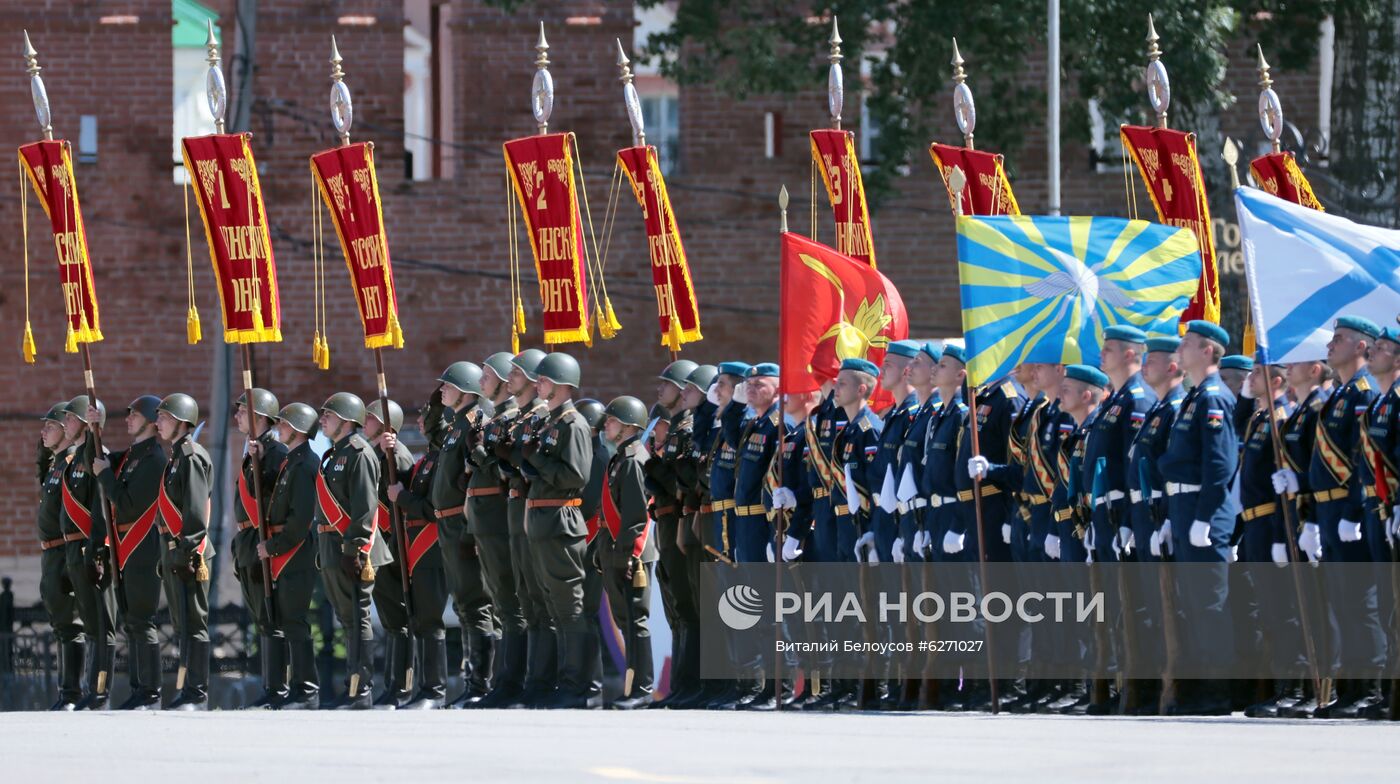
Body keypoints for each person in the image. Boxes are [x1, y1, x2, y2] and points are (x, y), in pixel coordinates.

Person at [1158, 320, 1240, 716]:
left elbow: (1220, 464)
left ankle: (1217, 692)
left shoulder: (1212, 398)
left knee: (1209, 606)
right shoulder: (1194, 397)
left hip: (1203, 510)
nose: (1181, 348)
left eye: (1188, 343)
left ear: (1208, 350)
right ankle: (1197, 689)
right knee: (1193, 606)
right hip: (1185, 507)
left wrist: (1205, 517)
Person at [520, 352, 599, 709]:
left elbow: (575, 476)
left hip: (560, 520)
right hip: (541, 520)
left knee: (569, 607)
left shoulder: (573, 424)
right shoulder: (550, 422)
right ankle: (557, 682)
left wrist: (537, 461)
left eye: (545, 380)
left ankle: (575, 686)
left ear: (564, 384)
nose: (539, 384)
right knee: (553, 606)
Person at [423, 362, 498, 708]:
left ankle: (482, 683)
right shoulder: (455, 424)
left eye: (448, 387)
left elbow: (479, 472)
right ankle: (473, 681)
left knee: (477, 603)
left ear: (467, 390)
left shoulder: (475, 423)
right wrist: (436, 403)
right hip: (448, 524)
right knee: (465, 604)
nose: (442, 391)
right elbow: (432, 432)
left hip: (464, 522)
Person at [315, 392, 390, 710]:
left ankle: (361, 689)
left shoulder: (358, 453)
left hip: (353, 547)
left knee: (357, 617)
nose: (322, 421)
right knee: (346, 618)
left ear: (346, 419)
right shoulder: (335, 454)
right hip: (334, 545)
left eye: (328, 415)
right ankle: (352, 685)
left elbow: (364, 507)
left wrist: (356, 547)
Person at [91, 396, 167, 710]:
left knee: (142, 620)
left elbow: (129, 504)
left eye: (134, 414)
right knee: (131, 621)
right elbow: (97, 458)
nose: (128, 419)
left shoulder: (154, 459)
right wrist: (92, 429)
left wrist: (105, 476)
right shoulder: (133, 456)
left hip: (143, 548)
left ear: (150, 419)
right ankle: (138, 689)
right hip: (125, 549)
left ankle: (149, 692)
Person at [464, 352, 528, 708]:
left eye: (487, 376)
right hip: (485, 518)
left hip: (501, 517)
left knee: (509, 601)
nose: (482, 381)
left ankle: (512, 680)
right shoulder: (493, 418)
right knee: (501, 602)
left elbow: (495, 464)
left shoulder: (511, 418)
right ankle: (504, 680)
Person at [254, 403, 322, 710]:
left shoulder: (306, 463)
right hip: (285, 548)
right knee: (283, 619)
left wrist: (273, 546)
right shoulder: (290, 462)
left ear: (296, 428)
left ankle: (305, 691)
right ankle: (286, 690)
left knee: (295, 620)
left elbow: (300, 520)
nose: (279, 427)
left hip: (296, 551)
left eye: (283, 423)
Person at [385, 403, 452, 709]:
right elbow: (404, 481)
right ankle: (418, 688)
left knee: (430, 619)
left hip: (431, 546)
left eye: (427, 418)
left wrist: (403, 498)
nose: (420, 421)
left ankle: (434, 690)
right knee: (418, 619)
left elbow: (431, 508)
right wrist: (391, 448)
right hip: (415, 548)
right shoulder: (425, 460)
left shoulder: (442, 461)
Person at [597, 396, 659, 709]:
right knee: (625, 620)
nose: (606, 424)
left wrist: (627, 554)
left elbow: (636, 516)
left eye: (612, 420)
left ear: (628, 426)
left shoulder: (633, 460)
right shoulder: (619, 457)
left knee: (636, 620)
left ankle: (642, 689)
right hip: (614, 548)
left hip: (631, 553)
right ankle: (632, 688)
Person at [153, 393, 214, 710]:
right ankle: (186, 688)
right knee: (182, 623)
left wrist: (185, 550)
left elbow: (194, 512)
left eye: (163, 417)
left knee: (195, 621)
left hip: (189, 550)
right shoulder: (176, 457)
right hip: (173, 547)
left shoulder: (190, 457)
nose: (158, 422)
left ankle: (197, 692)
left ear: (180, 421)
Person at [642, 360, 697, 710]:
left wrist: (656, 464)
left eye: (669, 383)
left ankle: (691, 685)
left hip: (681, 521)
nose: (661, 389)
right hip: (665, 520)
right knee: (678, 612)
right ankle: (681, 685)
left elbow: (683, 483)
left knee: (690, 610)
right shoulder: (673, 428)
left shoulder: (687, 430)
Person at [230, 388, 287, 709]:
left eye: (243, 411)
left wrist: (261, 464)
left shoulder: (274, 451)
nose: (237, 416)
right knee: (261, 617)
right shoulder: (250, 449)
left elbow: (273, 497)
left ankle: (278, 689)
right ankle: (270, 686)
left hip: (263, 537)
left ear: (260, 417)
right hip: (247, 539)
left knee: (271, 615)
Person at [833, 358, 885, 710]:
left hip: (868, 529)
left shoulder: (869, 428)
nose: (836, 389)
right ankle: (859, 684)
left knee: (873, 613)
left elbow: (880, 488)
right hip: (850, 528)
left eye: (843, 384)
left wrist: (877, 533)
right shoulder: (849, 429)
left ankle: (877, 686)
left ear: (862, 389)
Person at [61, 395, 114, 710]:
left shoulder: (96, 454)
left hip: (91, 548)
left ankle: (99, 692)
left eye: (70, 417)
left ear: (86, 422)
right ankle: (87, 690)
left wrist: (97, 551)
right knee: (89, 623)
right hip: (75, 548)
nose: (65, 423)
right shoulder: (75, 458)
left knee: (100, 623)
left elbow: (101, 509)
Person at [364, 399, 417, 709]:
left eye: (371, 417)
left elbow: (402, 487)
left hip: (393, 543)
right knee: (390, 618)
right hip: (381, 542)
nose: (365, 421)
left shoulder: (396, 454)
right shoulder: (375, 452)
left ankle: (403, 686)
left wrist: (388, 451)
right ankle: (393, 684)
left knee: (399, 618)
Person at [36, 402, 84, 710]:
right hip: (50, 552)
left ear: (66, 430)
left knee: (71, 622)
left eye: (50, 426)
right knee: (59, 623)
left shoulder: (70, 463)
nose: (43, 432)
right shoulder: (56, 463)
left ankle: (72, 694)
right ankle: (64, 691)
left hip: (64, 549)